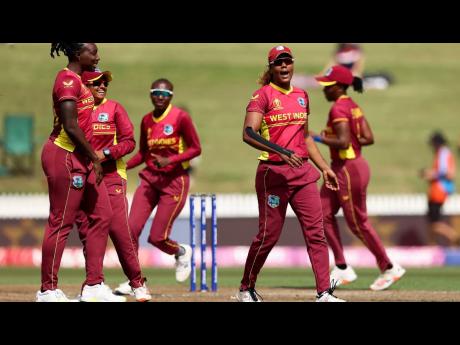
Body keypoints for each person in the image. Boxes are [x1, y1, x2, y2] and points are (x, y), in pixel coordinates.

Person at [236, 45, 344, 302]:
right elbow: (248, 133)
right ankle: (245, 288)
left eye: (287, 62)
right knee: (268, 235)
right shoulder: (261, 96)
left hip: (303, 174)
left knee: (316, 232)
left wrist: (325, 168)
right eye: (278, 63)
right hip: (272, 174)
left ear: (292, 65)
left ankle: (323, 293)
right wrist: (281, 151)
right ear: (271, 68)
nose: (284, 66)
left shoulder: (302, 95)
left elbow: (305, 137)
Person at [312, 64, 406, 291]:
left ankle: (389, 267)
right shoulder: (353, 106)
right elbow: (368, 137)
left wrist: (316, 137)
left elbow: (344, 142)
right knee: (321, 213)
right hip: (345, 167)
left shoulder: (338, 110)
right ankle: (342, 267)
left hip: (348, 169)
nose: (324, 90)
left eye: (327, 86)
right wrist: (348, 140)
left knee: (358, 223)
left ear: (338, 87)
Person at [37, 43, 118, 302]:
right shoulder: (68, 81)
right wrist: (95, 157)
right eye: (92, 52)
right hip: (64, 155)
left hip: (81, 157)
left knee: (103, 214)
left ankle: (94, 285)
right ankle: (47, 290)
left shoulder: (80, 80)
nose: (97, 56)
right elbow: (71, 126)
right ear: (76, 54)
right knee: (60, 222)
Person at [114, 78, 202, 295]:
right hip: (150, 180)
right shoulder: (146, 120)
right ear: (151, 95)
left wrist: (170, 161)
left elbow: (196, 149)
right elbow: (143, 154)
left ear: (170, 96)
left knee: (157, 237)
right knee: (130, 231)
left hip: (174, 182)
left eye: (164, 94)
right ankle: (135, 281)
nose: (160, 97)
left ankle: (181, 251)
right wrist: (121, 165)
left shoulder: (181, 118)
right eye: (156, 93)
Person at [74, 70, 152, 302]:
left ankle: (137, 283)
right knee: (88, 232)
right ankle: (93, 283)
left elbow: (129, 142)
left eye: (105, 83)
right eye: (97, 83)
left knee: (119, 231)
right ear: (85, 85)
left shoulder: (115, 108)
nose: (102, 86)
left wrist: (105, 153)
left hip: (111, 177)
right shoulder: (77, 109)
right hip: (82, 175)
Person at [420, 131, 458, 246]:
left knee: (434, 223)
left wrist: (429, 174)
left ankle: (455, 237)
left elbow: (447, 172)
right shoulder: (443, 153)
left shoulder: (443, 153)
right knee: (431, 222)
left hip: (439, 191)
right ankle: (432, 244)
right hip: (437, 191)